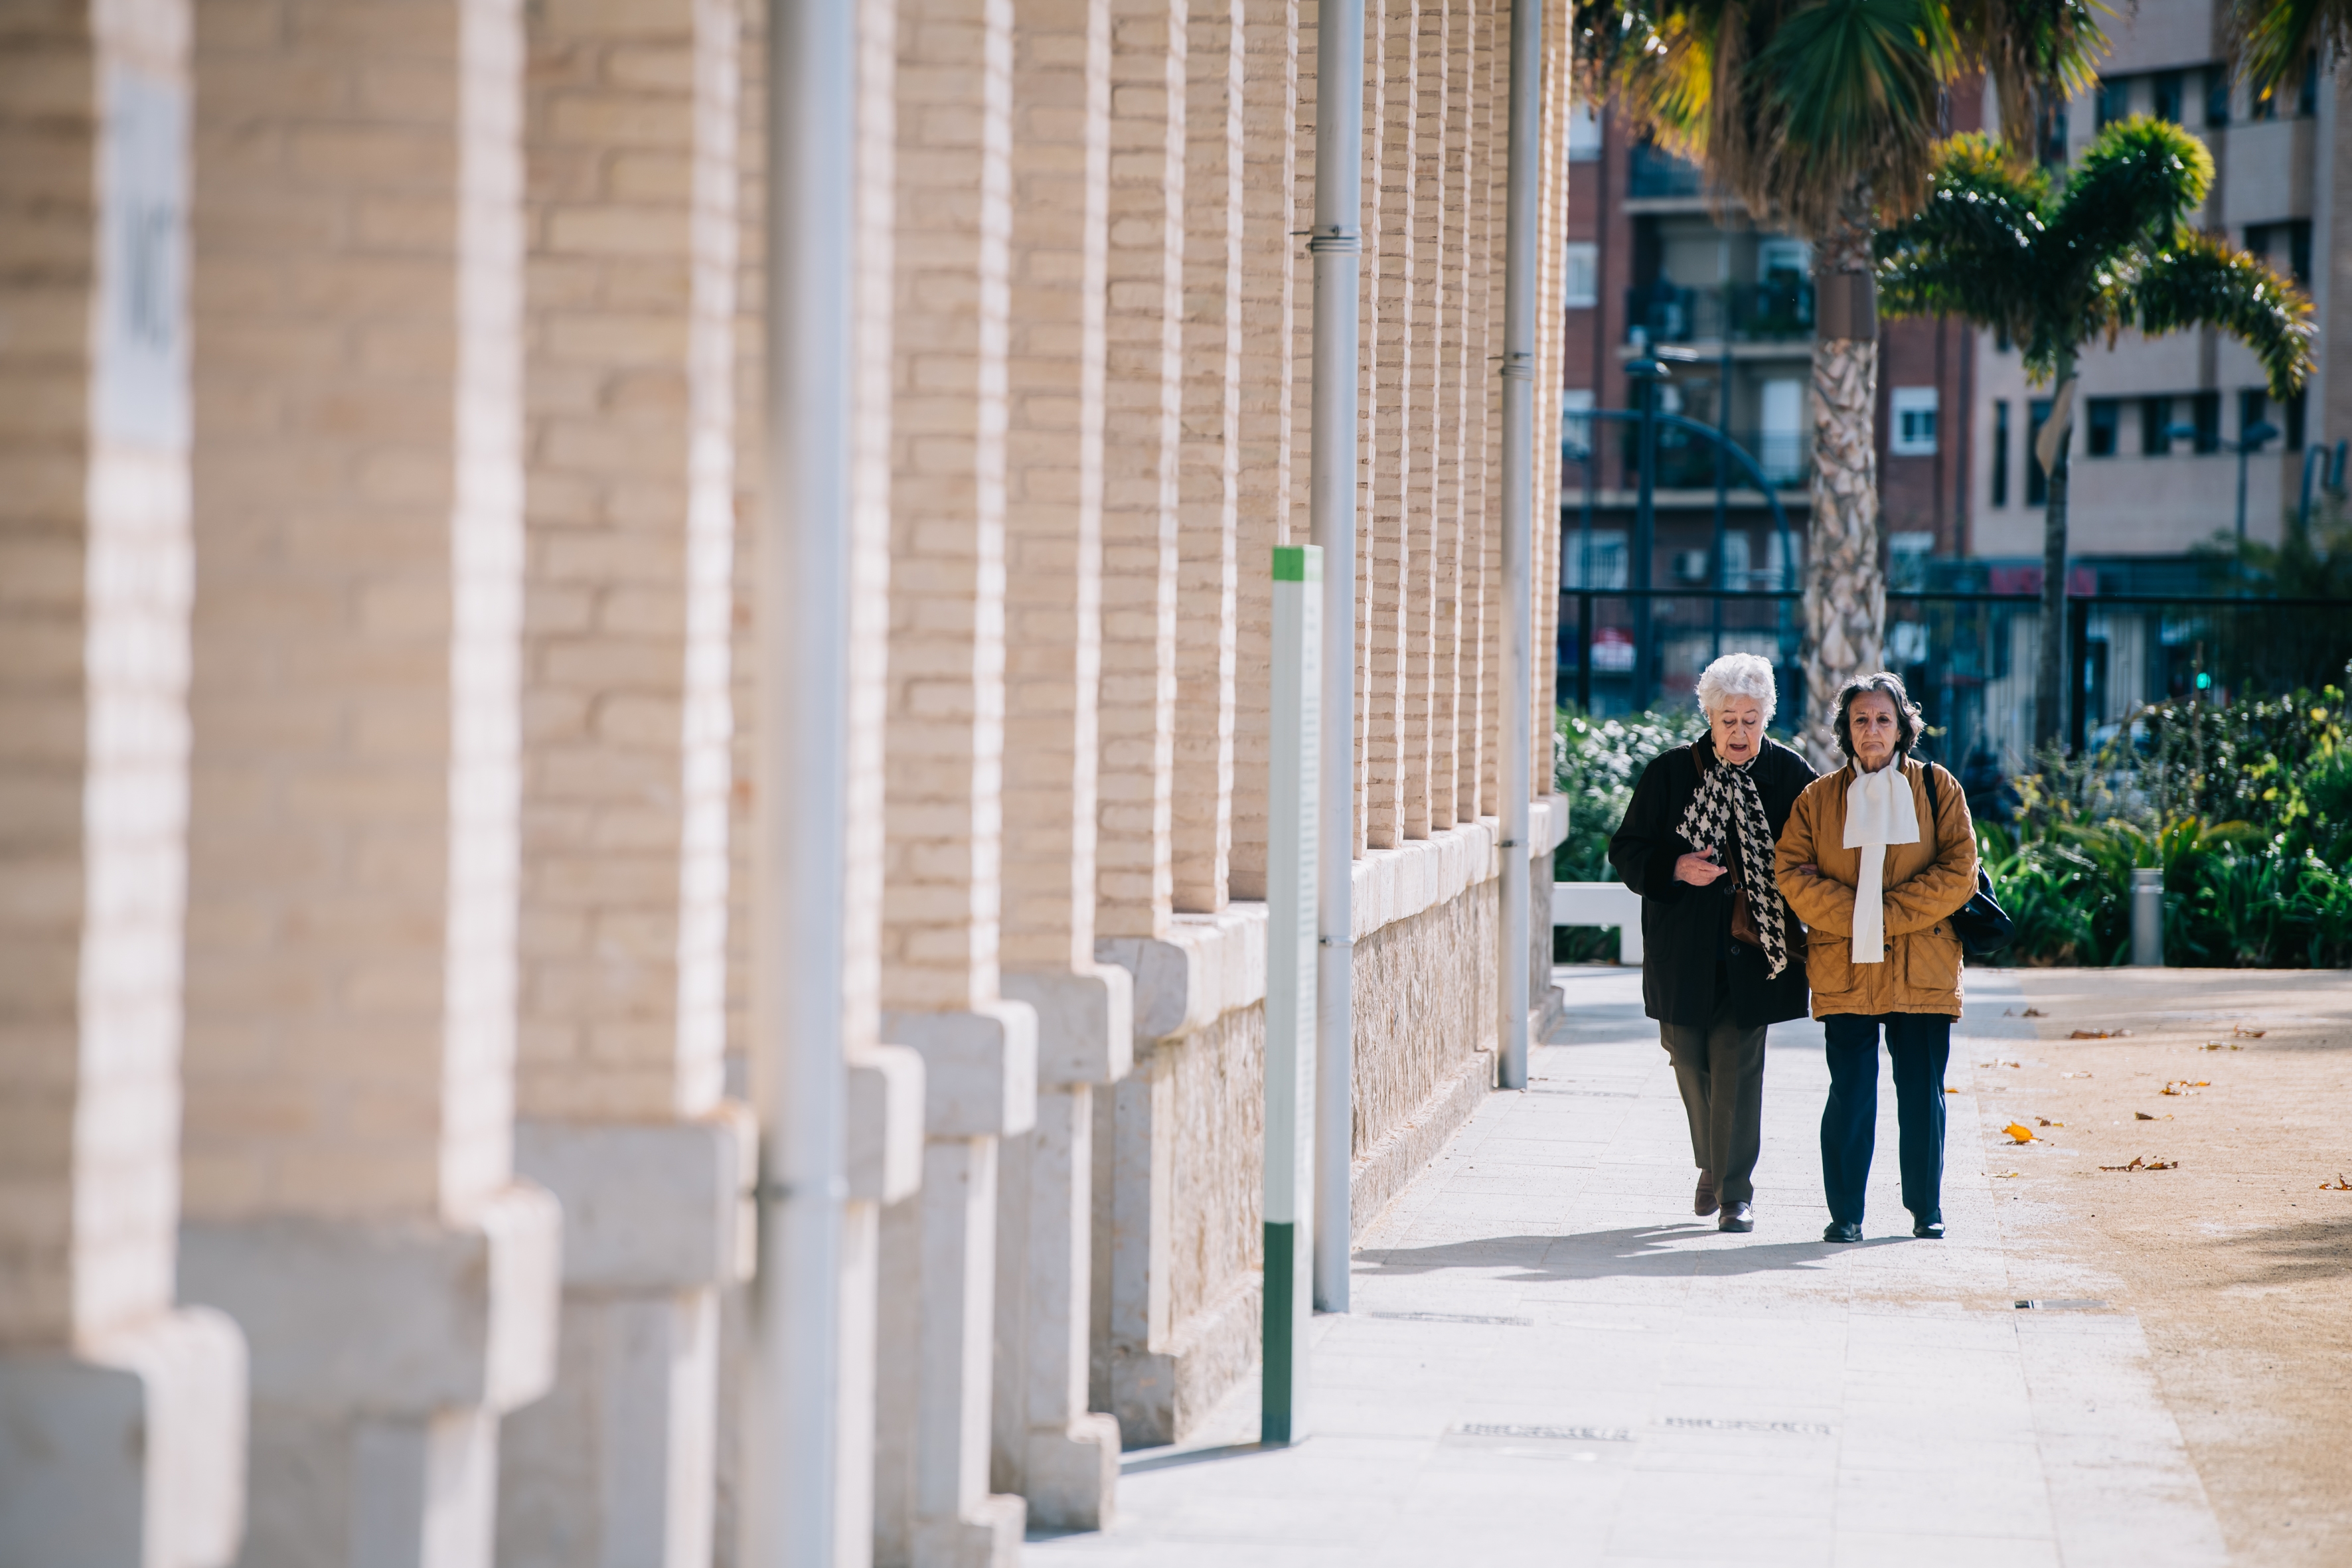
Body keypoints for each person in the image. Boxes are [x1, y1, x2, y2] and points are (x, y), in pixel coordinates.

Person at [1608, 653, 1816, 1233]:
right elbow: (1626, 850)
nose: (1739, 732)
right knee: (1686, 1057)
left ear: (1765, 717)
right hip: (1683, 950)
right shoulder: (1672, 773)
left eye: (1751, 719)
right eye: (1728, 719)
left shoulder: (1791, 775)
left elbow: (1819, 851)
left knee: (1739, 1067)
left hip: (1756, 950)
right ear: (1709, 716)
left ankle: (1734, 1192)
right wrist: (1675, 867)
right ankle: (1713, 1163)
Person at [1774, 672, 1978, 1244]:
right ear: (1845, 730)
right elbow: (1789, 871)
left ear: (1902, 727)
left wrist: (1883, 913)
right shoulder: (1817, 799)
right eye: (1860, 720)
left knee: (1921, 1093)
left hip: (1924, 967)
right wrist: (1851, 912)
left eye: (1882, 719)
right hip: (1845, 967)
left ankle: (1925, 1209)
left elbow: (1958, 870)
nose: (1871, 730)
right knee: (1849, 1095)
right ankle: (1845, 1215)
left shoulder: (1939, 789)